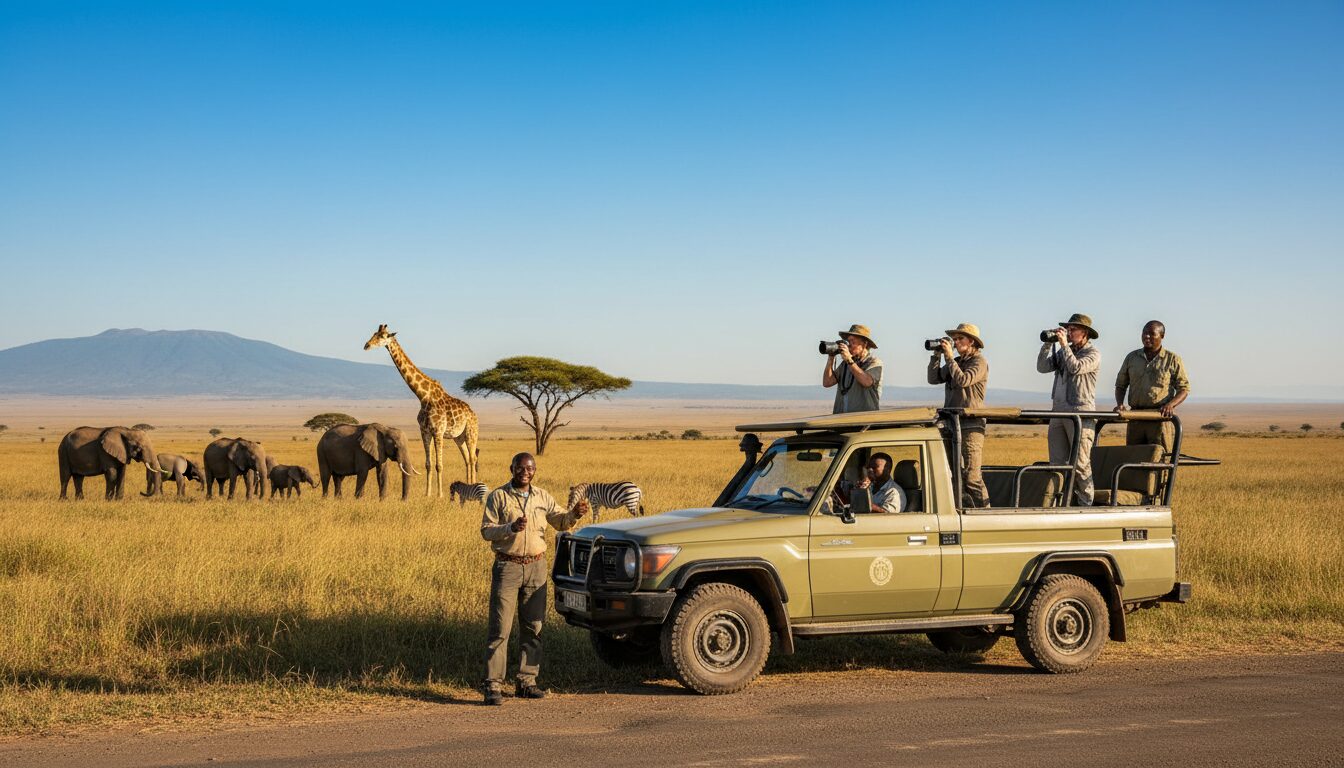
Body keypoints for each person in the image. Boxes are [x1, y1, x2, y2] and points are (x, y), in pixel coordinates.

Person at [479, 452, 588, 705]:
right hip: (508, 567)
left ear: (534, 470)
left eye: (529, 468)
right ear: (512, 468)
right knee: (500, 628)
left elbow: (560, 522)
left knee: (534, 627)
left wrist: (575, 514)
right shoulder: (498, 496)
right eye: (520, 468)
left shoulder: (542, 496)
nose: (525, 472)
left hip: (536, 566)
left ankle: (527, 682)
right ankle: (493, 684)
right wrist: (510, 528)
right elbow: (486, 531)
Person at [1036, 313, 1102, 506]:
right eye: (1068, 329)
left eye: (1073, 329)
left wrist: (1064, 345)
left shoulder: (1093, 354)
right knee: (1057, 464)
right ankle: (1061, 504)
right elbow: (1041, 367)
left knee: (1081, 464)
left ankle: (1085, 505)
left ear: (1085, 333)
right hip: (1058, 413)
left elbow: (1075, 367)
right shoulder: (1065, 351)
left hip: (1080, 414)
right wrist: (1048, 344)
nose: (1069, 332)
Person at [927, 323, 990, 507]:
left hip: (971, 423)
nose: (955, 342)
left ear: (972, 341)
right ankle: (963, 509)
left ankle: (986, 512)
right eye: (954, 339)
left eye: (960, 338)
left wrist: (948, 357)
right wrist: (936, 355)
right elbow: (933, 378)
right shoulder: (957, 361)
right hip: (952, 422)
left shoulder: (979, 362)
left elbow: (964, 380)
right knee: (953, 472)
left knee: (972, 476)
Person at [1114, 320, 1190, 455]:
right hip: (1135, 417)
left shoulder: (1172, 359)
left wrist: (1170, 405)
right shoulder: (1132, 357)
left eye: (1151, 334)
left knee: (1160, 459)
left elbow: (1184, 389)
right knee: (1132, 459)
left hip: (1159, 417)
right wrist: (1120, 404)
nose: (1146, 337)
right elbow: (1120, 385)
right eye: (1144, 333)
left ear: (1162, 336)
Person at [822, 324, 883, 414]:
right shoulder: (845, 364)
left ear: (864, 344)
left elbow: (867, 382)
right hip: (842, 422)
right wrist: (831, 358)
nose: (848, 345)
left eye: (852, 342)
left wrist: (849, 360)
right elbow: (827, 382)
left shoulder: (874, 362)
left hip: (863, 421)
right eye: (847, 341)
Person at [831, 452, 905, 514]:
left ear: (887, 470)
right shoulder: (870, 485)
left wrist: (864, 502)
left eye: (875, 467)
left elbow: (888, 516)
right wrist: (856, 492)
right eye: (869, 467)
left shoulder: (894, 492)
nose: (869, 469)